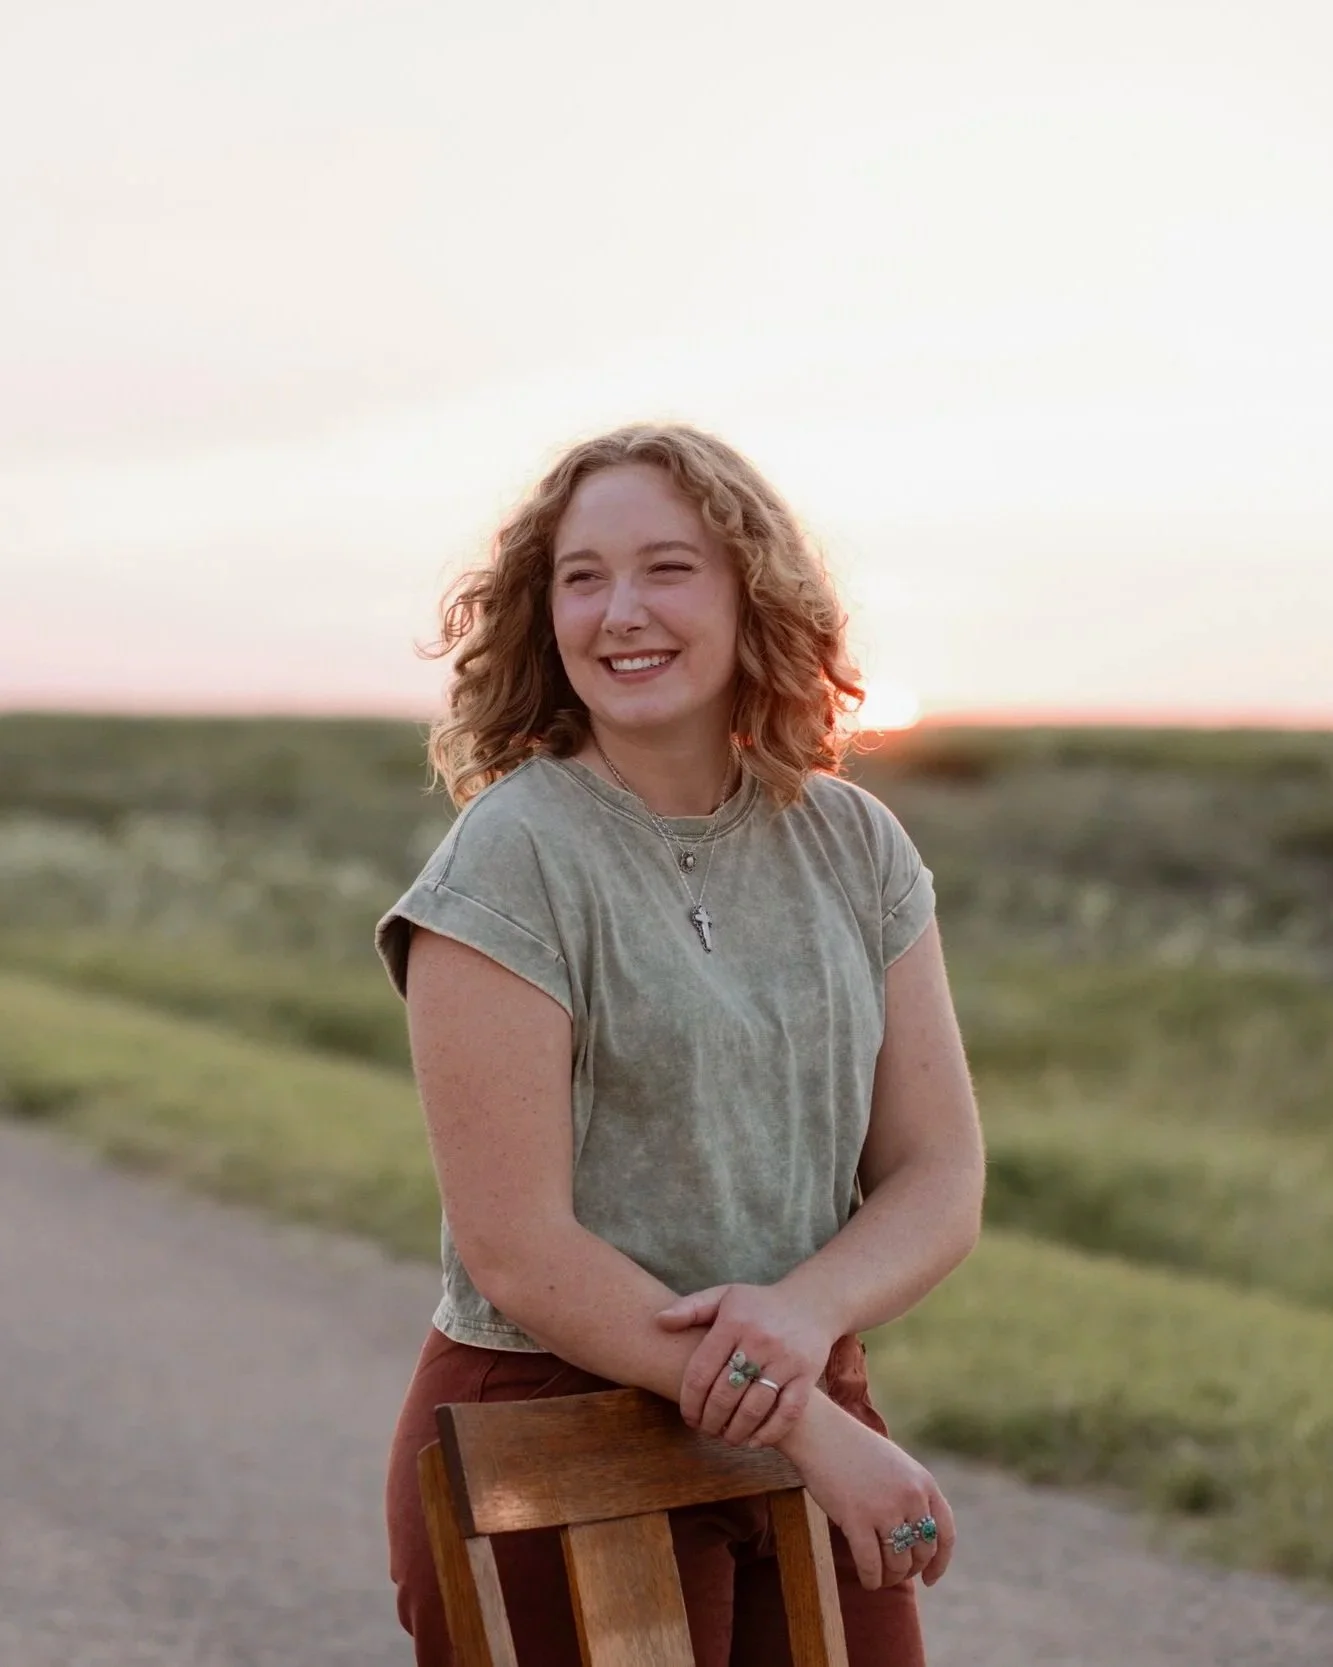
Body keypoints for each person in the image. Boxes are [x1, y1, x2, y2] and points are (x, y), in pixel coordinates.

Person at [376, 422, 986, 1666]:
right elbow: (519, 1245)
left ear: (750, 592)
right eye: (581, 575)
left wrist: (803, 1321)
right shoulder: (516, 853)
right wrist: (807, 1425)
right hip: (553, 1434)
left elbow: (938, 1173)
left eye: (667, 566)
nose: (620, 611)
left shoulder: (855, 844)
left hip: (807, 1385)